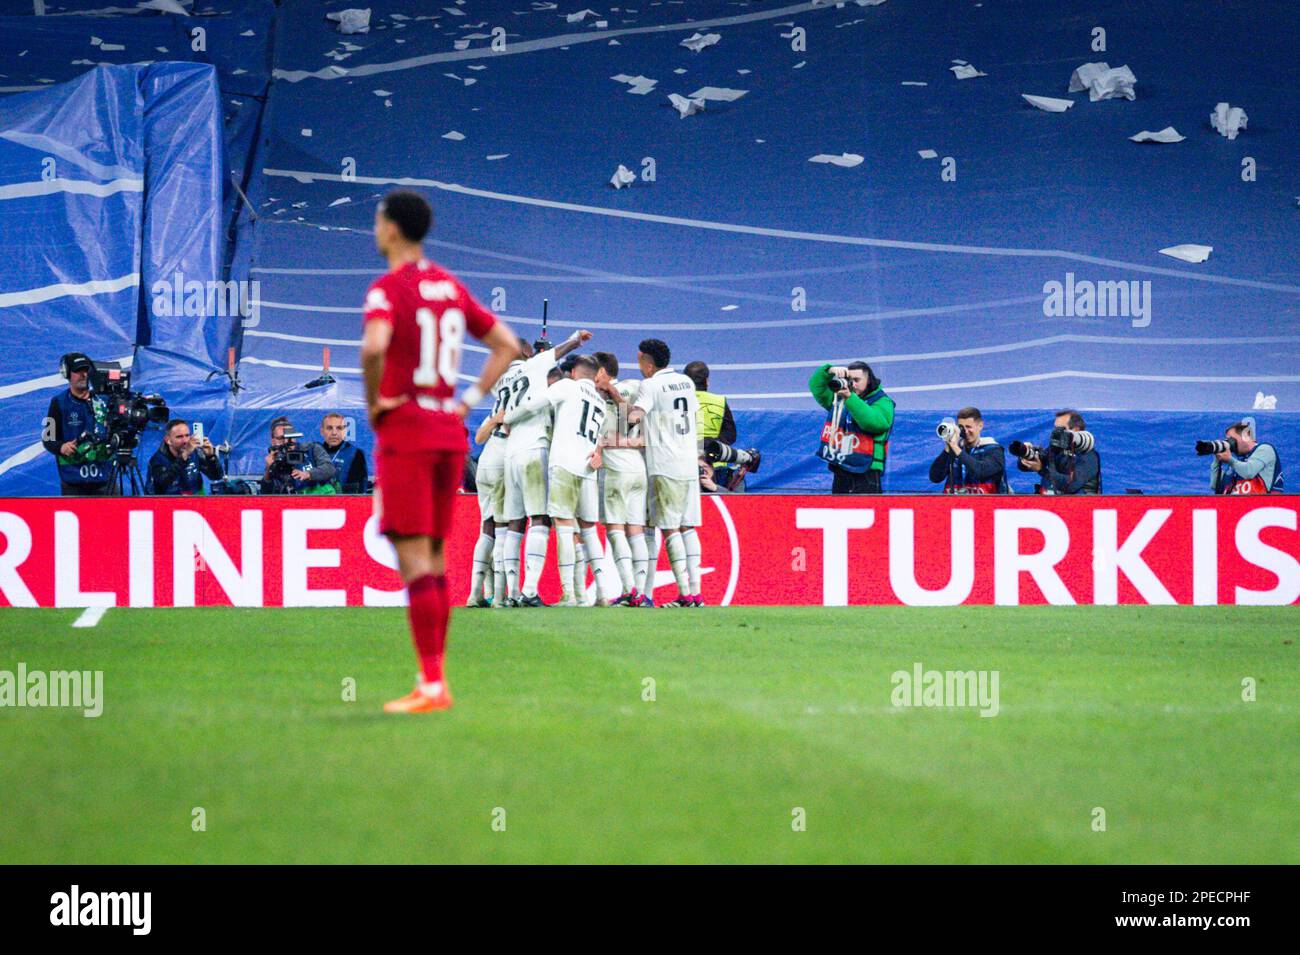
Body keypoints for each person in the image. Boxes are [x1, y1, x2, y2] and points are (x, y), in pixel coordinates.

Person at [360, 189, 520, 713]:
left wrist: (377, 403)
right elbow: (506, 344)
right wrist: (469, 400)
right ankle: (434, 680)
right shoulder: (449, 285)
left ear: (391, 228)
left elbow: (373, 347)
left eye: (379, 219)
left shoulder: (388, 288)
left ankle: (432, 684)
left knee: (415, 564)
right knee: (433, 558)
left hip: (406, 431)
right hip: (447, 431)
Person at [500, 329, 592, 607]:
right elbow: (558, 353)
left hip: (510, 453)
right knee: (539, 519)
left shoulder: (502, 379)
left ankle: (512, 593)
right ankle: (529, 591)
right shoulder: (535, 363)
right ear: (528, 352)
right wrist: (575, 338)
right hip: (533, 447)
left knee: (515, 524)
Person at [625, 339, 703, 608]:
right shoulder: (686, 382)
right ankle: (696, 593)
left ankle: (684, 595)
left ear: (647, 363)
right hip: (688, 462)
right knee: (688, 527)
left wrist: (623, 415)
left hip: (665, 465)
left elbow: (637, 415)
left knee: (670, 530)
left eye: (639, 361)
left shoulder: (650, 385)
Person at [541, 355, 616, 606]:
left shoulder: (566, 387)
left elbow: (535, 404)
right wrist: (599, 453)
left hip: (564, 462)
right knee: (589, 531)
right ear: (596, 375)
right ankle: (602, 592)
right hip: (588, 467)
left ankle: (569, 594)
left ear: (572, 372)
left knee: (563, 527)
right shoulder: (600, 401)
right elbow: (600, 437)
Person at [593, 351, 653, 607]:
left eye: (594, 374)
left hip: (616, 469)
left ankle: (631, 589)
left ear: (604, 373)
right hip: (638, 468)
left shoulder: (607, 394)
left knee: (616, 528)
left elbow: (624, 415)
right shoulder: (637, 387)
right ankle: (640, 591)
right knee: (636, 530)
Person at [808, 361, 894, 494]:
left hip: (867, 471)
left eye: (857, 380)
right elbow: (816, 387)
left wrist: (850, 397)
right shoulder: (839, 399)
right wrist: (829, 371)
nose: (853, 384)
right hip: (842, 468)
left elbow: (874, 423)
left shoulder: (883, 402)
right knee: (839, 512)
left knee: (867, 512)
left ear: (869, 380)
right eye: (849, 379)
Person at [41, 352, 114, 496]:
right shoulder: (59, 403)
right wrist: (61, 447)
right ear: (67, 373)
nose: (83, 375)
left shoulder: (105, 400)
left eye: (86, 370)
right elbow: (48, 438)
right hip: (73, 481)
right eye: (78, 371)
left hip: (106, 479)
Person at [683, 360, 760, 491]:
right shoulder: (719, 401)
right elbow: (730, 435)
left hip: (684, 463)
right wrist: (712, 445)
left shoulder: (677, 402)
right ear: (707, 381)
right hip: (716, 465)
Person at [1015, 409, 1101, 494]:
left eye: (1060, 429)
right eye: (1055, 428)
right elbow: (1025, 467)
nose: (1056, 433)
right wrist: (1025, 454)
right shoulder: (1056, 448)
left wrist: (1041, 470)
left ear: (1075, 430)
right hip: (1048, 502)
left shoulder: (1088, 455)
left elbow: (1071, 486)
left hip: (1078, 505)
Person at [928, 407, 1008, 494]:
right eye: (961, 427)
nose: (965, 431)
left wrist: (955, 447)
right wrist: (948, 449)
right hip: (955, 504)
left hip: (987, 505)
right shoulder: (955, 449)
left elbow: (981, 471)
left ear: (980, 425)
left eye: (969, 427)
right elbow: (935, 477)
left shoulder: (993, 450)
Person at [259, 416, 338, 494]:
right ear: (273, 441)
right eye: (281, 438)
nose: (286, 441)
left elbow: (330, 468)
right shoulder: (275, 459)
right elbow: (266, 494)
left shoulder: (311, 449)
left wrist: (308, 474)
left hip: (320, 500)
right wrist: (268, 470)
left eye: (290, 437)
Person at [146, 420, 222, 495]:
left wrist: (211, 457)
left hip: (196, 498)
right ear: (168, 440)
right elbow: (165, 482)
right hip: (169, 502)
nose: (185, 441)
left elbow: (216, 476)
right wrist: (184, 455)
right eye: (179, 437)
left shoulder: (195, 453)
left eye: (187, 435)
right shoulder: (158, 460)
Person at [1210, 417, 1284, 494]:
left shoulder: (1265, 449)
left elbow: (1248, 472)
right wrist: (1217, 460)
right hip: (1234, 504)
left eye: (1231, 440)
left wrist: (1229, 460)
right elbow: (1215, 486)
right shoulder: (1237, 461)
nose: (1230, 444)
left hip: (1262, 504)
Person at [320, 413, 369, 493]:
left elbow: (359, 490)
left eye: (339, 428)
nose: (334, 433)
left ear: (345, 431)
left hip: (344, 503)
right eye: (329, 428)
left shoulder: (356, 454)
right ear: (322, 431)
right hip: (316, 502)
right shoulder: (313, 452)